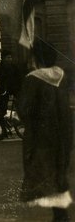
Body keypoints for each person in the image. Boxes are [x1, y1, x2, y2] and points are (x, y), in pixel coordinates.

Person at [18, 39, 73, 221]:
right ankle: (60, 214)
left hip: (40, 135)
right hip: (62, 133)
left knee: (42, 171)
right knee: (58, 171)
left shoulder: (33, 78)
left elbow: (25, 109)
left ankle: (60, 215)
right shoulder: (61, 76)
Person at [0, 49, 24, 141]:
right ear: (3, 58)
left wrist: (20, 90)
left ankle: (19, 123)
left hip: (14, 90)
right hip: (3, 91)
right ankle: (4, 131)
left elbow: (20, 79)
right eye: (8, 58)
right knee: (0, 111)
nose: (10, 59)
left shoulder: (15, 67)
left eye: (10, 57)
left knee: (21, 107)